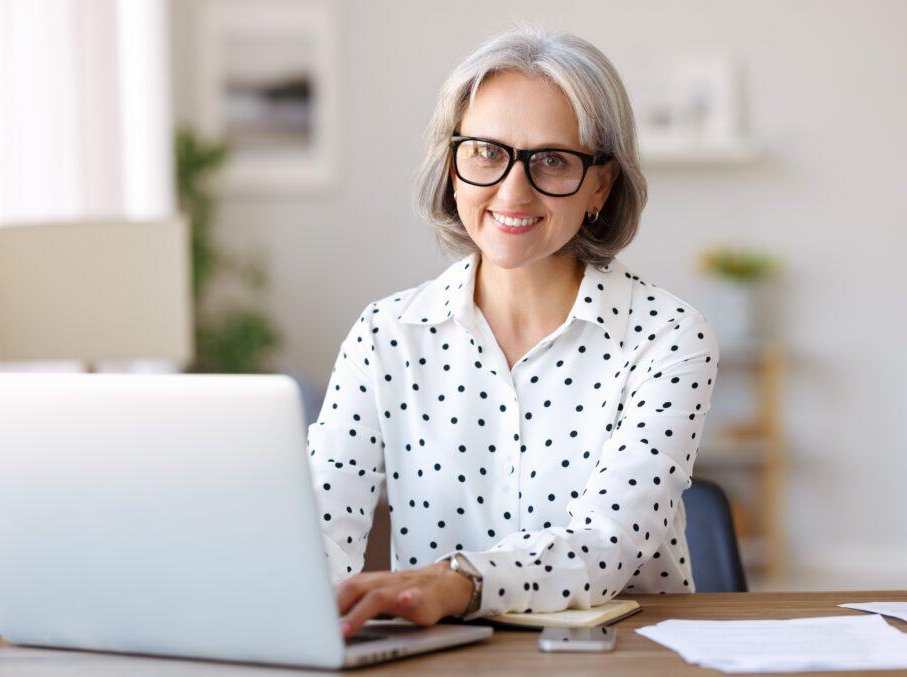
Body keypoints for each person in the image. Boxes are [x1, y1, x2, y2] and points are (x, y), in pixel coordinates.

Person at [306, 23, 719, 640]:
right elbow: (318, 523)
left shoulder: (667, 337)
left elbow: (607, 546)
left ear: (600, 185)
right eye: (485, 151)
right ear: (452, 165)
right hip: (438, 658)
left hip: (621, 659)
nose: (512, 188)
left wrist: (458, 583)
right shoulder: (384, 335)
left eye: (553, 159)